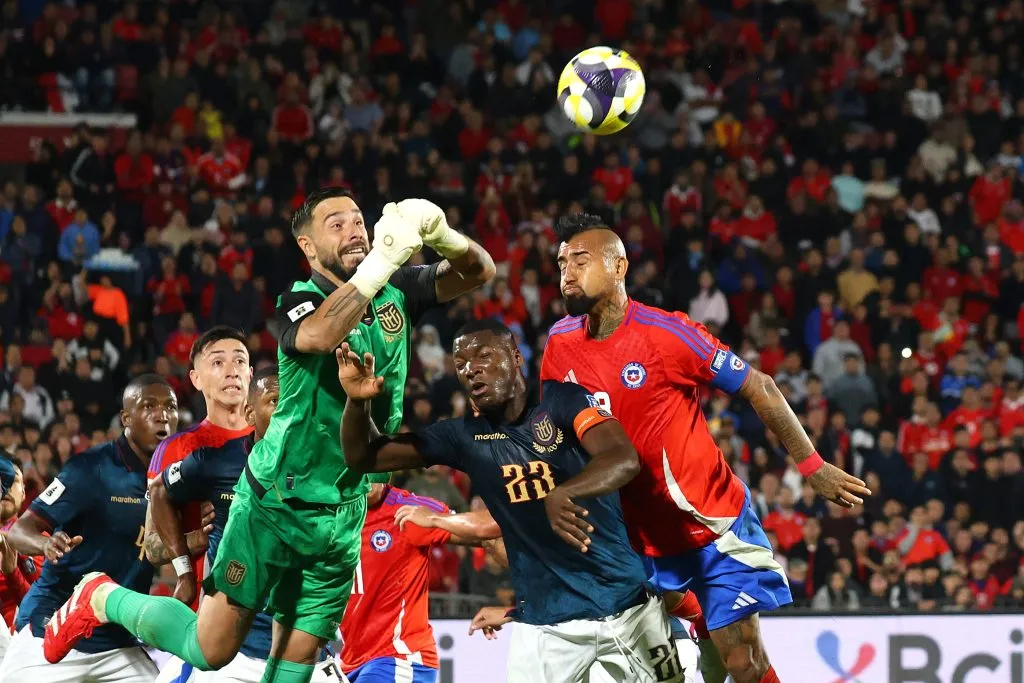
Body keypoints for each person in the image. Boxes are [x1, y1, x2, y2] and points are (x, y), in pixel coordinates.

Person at [43, 190, 494, 683]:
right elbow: (321, 334)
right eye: (336, 224)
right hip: (275, 504)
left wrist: (442, 235)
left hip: (344, 513)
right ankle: (101, 596)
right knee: (210, 649)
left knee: (298, 661)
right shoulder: (298, 301)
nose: (355, 231)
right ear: (308, 246)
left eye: (358, 221)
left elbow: (479, 271)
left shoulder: (396, 290)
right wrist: (381, 262)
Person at [539, 213, 872, 683]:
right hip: (634, 540)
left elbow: (759, 386)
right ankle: (698, 615)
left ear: (619, 267)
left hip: (713, 527)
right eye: (561, 264)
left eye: (580, 260)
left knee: (744, 664)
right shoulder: (559, 343)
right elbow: (552, 429)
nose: (567, 273)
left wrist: (812, 465)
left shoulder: (667, 334)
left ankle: (703, 617)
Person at [338, 319, 689, 683]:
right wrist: (357, 403)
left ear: (515, 356)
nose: (471, 369)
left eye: (483, 356)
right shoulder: (463, 437)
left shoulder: (563, 401)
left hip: (627, 609)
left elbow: (622, 457)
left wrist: (565, 492)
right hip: (545, 627)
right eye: (461, 364)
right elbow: (363, 457)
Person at [0, 375, 210, 683]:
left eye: (170, 407)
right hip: (52, 626)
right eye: (149, 406)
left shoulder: (175, 479)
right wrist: (46, 544)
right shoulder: (91, 468)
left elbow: (149, 545)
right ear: (126, 418)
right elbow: (20, 530)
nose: (162, 415)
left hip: (118, 642)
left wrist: (196, 538)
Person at [152, 367, 278, 683]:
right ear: (250, 414)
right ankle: (102, 597)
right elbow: (159, 491)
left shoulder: (317, 467)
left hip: (296, 648)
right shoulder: (214, 461)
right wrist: (184, 571)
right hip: (232, 649)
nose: (287, 411)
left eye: (294, 402)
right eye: (275, 401)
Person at [336, 483, 495, 683]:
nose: (367, 479)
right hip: (350, 662)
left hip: (399, 656)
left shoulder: (408, 510)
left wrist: (436, 518)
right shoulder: (329, 516)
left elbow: (492, 530)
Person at [147, 325, 254, 613]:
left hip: (271, 609)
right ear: (196, 379)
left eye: (239, 361)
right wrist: (201, 537)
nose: (232, 371)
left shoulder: (275, 442)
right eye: (218, 362)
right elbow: (152, 548)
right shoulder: (175, 449)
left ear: (250, 374)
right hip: (203, 609)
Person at [0, 459, 34, 662]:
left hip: (18, 643)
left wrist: (12, 572)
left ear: (23, 493)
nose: (5, 487)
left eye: (12, 481)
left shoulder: (36, 540)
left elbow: (40, 607)